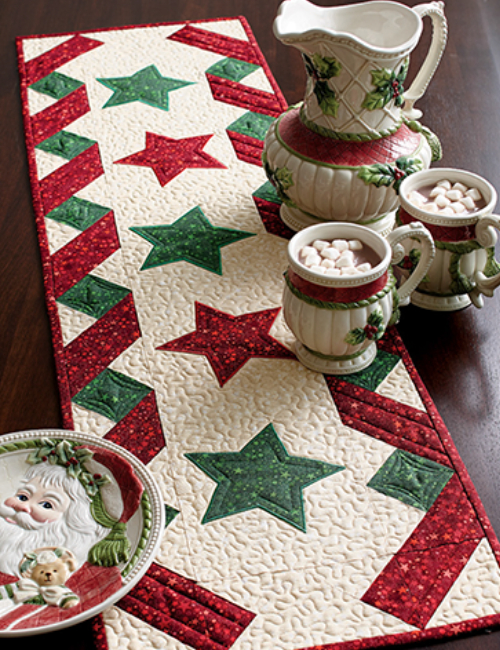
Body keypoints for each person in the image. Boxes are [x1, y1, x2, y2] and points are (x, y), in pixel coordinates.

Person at [0, 439, 144, 632]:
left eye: (46, 505)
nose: (22, 506)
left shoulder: (84, 581)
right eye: (23, 496)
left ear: (74, 523)